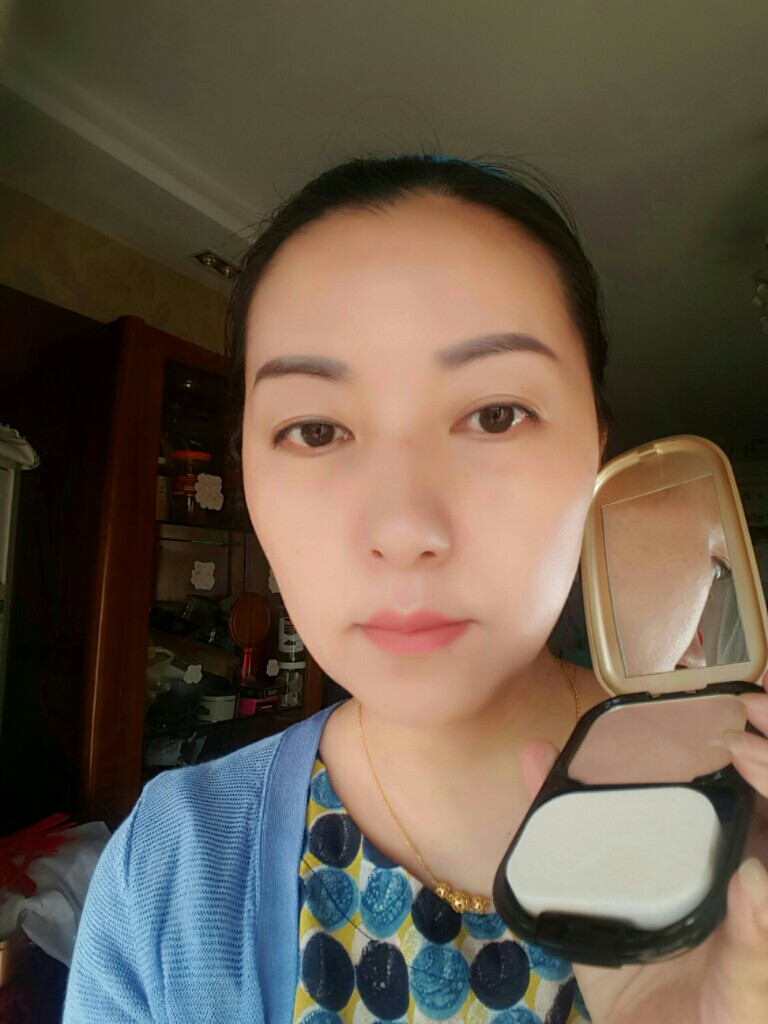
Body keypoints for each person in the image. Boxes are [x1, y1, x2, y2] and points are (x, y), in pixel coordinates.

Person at [63, 154, 768, 1023]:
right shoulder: (170, 868)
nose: (403, 528)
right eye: (314, 429)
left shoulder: (743, 816)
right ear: (246, 472)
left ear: (596, 450)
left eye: (495, 415)